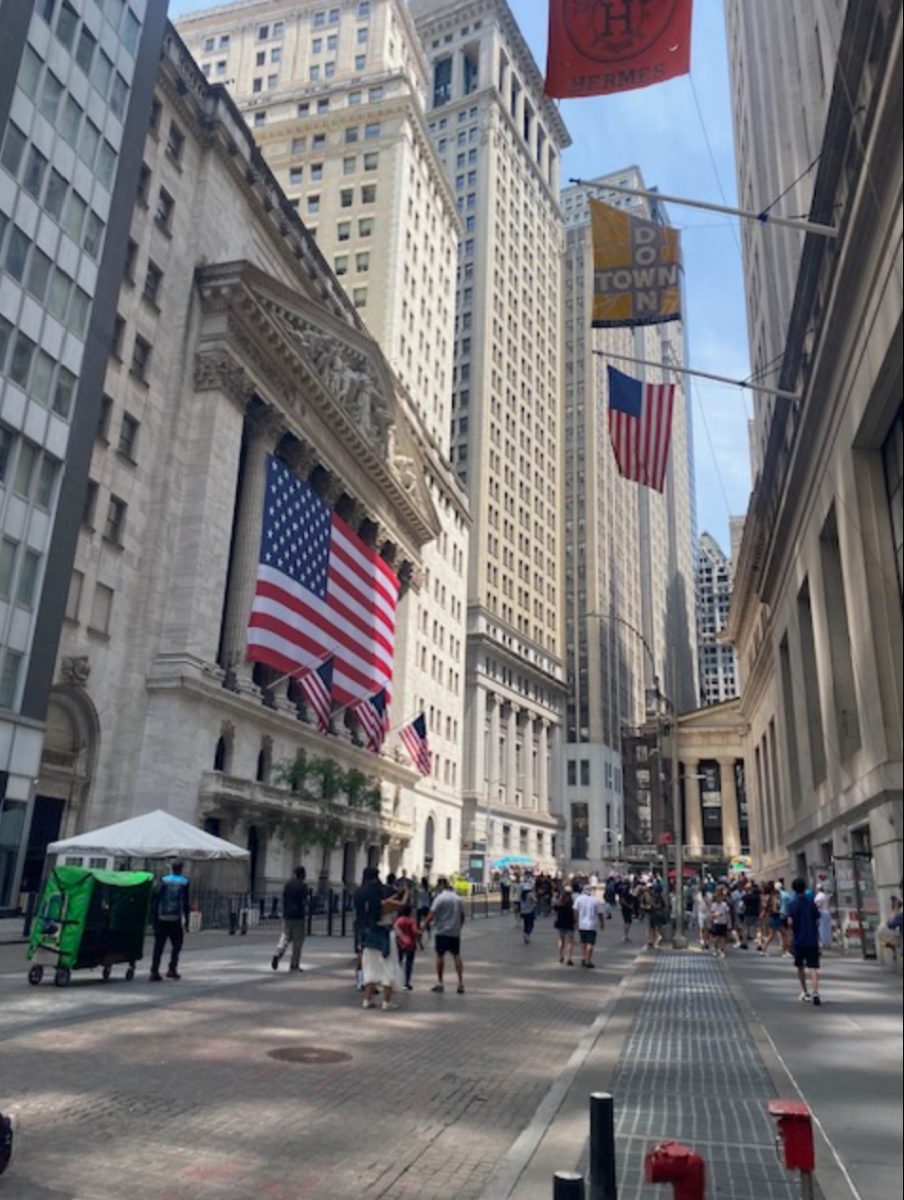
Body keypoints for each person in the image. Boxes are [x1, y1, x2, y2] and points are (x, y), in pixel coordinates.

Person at [355, 867, 406, 1011]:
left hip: (369, 935)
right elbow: (401, 905)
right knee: (388, 967)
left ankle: (367, 999)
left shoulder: (360, 894)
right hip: (384, 935)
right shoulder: (383, 902)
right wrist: (406, 893)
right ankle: (386, 1001)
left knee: (370, 968)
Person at [149, 860, 190, 982]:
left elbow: (155, 897)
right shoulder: (184, 882)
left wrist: (153, 917)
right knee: (177, 944)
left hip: (161, 917)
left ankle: (154, 971)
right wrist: (187, 920)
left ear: (171, 868)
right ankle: (172, 968)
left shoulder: (163, 880)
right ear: (181, 869)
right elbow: (185, 902)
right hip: (175, 918)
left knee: (158, 946)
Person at [425, 876, 466, 993]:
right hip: (454, 932)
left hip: (442, 931)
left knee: (440, 956)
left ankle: (440, 982)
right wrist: (459, 927)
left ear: (440, 885)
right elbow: (462, 916)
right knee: (456, 956)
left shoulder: (439, 898)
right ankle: (460, 982)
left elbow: (431, 914)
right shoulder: (458, 898)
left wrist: (423, 927)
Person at [786, 877, 823, 1005]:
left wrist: (790, 939)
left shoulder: (791, 903)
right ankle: (816, 992)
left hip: (799, 940)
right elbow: (817, 921)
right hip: (812, 939)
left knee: (800, 966)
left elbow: (790, 923)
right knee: (813, 967)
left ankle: (804, 991)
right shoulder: (811, 902)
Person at [271, 866, 308, 972]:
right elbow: (304, 901)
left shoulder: (288, 885)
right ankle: (294, 964)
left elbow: (284, 899)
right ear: (302, 874)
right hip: (298, 916)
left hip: (287, 915)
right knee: (298, 941)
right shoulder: (303, 886)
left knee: (285, 937)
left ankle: (277, 954)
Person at [573, 882, 605, 968]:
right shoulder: (595, 900)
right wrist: (602, 923)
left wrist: (576, 921)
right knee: (590, 943)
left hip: (581, 924)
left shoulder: (579, 899)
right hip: (591, 925)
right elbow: (600, 913)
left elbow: (575, 910)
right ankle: (588, 960)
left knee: (583, 942)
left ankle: (583, 957)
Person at [394, 903, 422, 991]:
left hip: (400, 944)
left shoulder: (398, 920)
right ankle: (406, 983)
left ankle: (396, 980)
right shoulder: (411, 921)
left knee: (399, 962)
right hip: (410, 945)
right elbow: (415, 932)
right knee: (409, 964)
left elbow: (395, 931)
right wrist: (420, 943)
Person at [554, 886, 576, 965]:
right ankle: (569, 958)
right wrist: (576, 921)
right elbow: (574, 913)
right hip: (570, 923)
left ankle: (560, 956)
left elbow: (555, 908)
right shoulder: (572, 902)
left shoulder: (560, 902)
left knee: (561, 940)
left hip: (561, 923)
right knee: (570, 941)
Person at [709, 887, 731, 958]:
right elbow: (711, 914)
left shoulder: (724, 905)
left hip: (723, 922)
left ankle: (721, 950)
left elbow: (727, 914)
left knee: (723, 937)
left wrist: (729, 923)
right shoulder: (714, 905)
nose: (719, 899)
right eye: (718, 897)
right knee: (716, 937)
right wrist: (715, 915)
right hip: (716, 923)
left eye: (720, 897)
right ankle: (714, 947)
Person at [740, 880, 761, 949]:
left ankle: (745, 943)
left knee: (745, 928)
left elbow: (741, 906)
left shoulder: (745, 897)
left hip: (747, 913)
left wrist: (743, 910)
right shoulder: (757, 896)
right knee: (758, 929)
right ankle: (759, 944)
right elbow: (760, 904)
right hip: (756, 913)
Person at [813, 882, 832, 949]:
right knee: (827, 928)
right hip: (826, 912)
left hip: (822, 913)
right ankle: (828, 942)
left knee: (822, 928)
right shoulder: (824, 895)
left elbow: (818, 904)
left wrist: (814, 908)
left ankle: (824, 942)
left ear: (818, 889)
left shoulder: (819, 896)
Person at [692, 884, 711, 950]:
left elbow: (710, 905)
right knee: (702, 928)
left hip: (708, 913)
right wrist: (694, 914)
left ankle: (707, 942)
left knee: (707, 929)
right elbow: (696, 905)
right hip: (701, 914)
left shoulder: (709, 895)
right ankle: (702, 942)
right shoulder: (698, 896)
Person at [519, 877, 537, 944]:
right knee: (531, 925)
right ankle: (527, 934)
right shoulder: (530, 894)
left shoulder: (522, 895)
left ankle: (525, 934)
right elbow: (535, 900)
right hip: (530, 911)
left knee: (526, 924)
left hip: (523, 911)